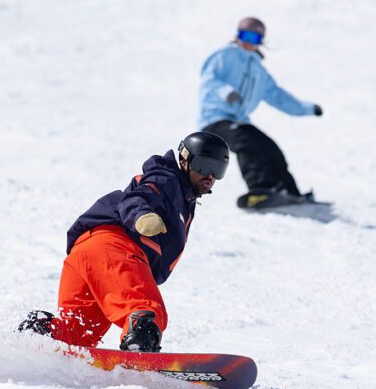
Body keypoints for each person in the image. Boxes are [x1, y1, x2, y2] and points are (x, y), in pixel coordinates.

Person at [18, 132, 230, 352]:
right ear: (184, 160)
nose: (211, 176)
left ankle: (38, 337)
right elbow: (138, 197)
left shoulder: (184, 198)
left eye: (219, 170)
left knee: (78, 335)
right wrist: (142, 216)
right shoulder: (166, 179)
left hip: (87, 257)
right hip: (113, 246)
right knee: (145, 309)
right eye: (205, 165)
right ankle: (140, 345)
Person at [198, 16, 322, 199]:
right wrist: (227, 93)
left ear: (260, 42)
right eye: (244, 36)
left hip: (239, 121)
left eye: (254, 38)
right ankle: (259, 189)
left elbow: (277, 96)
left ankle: (288, 192)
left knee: (270, 148)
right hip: (215, 120)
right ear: (237, 36)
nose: (248, 42)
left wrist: (307, 108)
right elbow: (210, 79)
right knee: (245, 142)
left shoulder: (258, 70)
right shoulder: (224, 56)